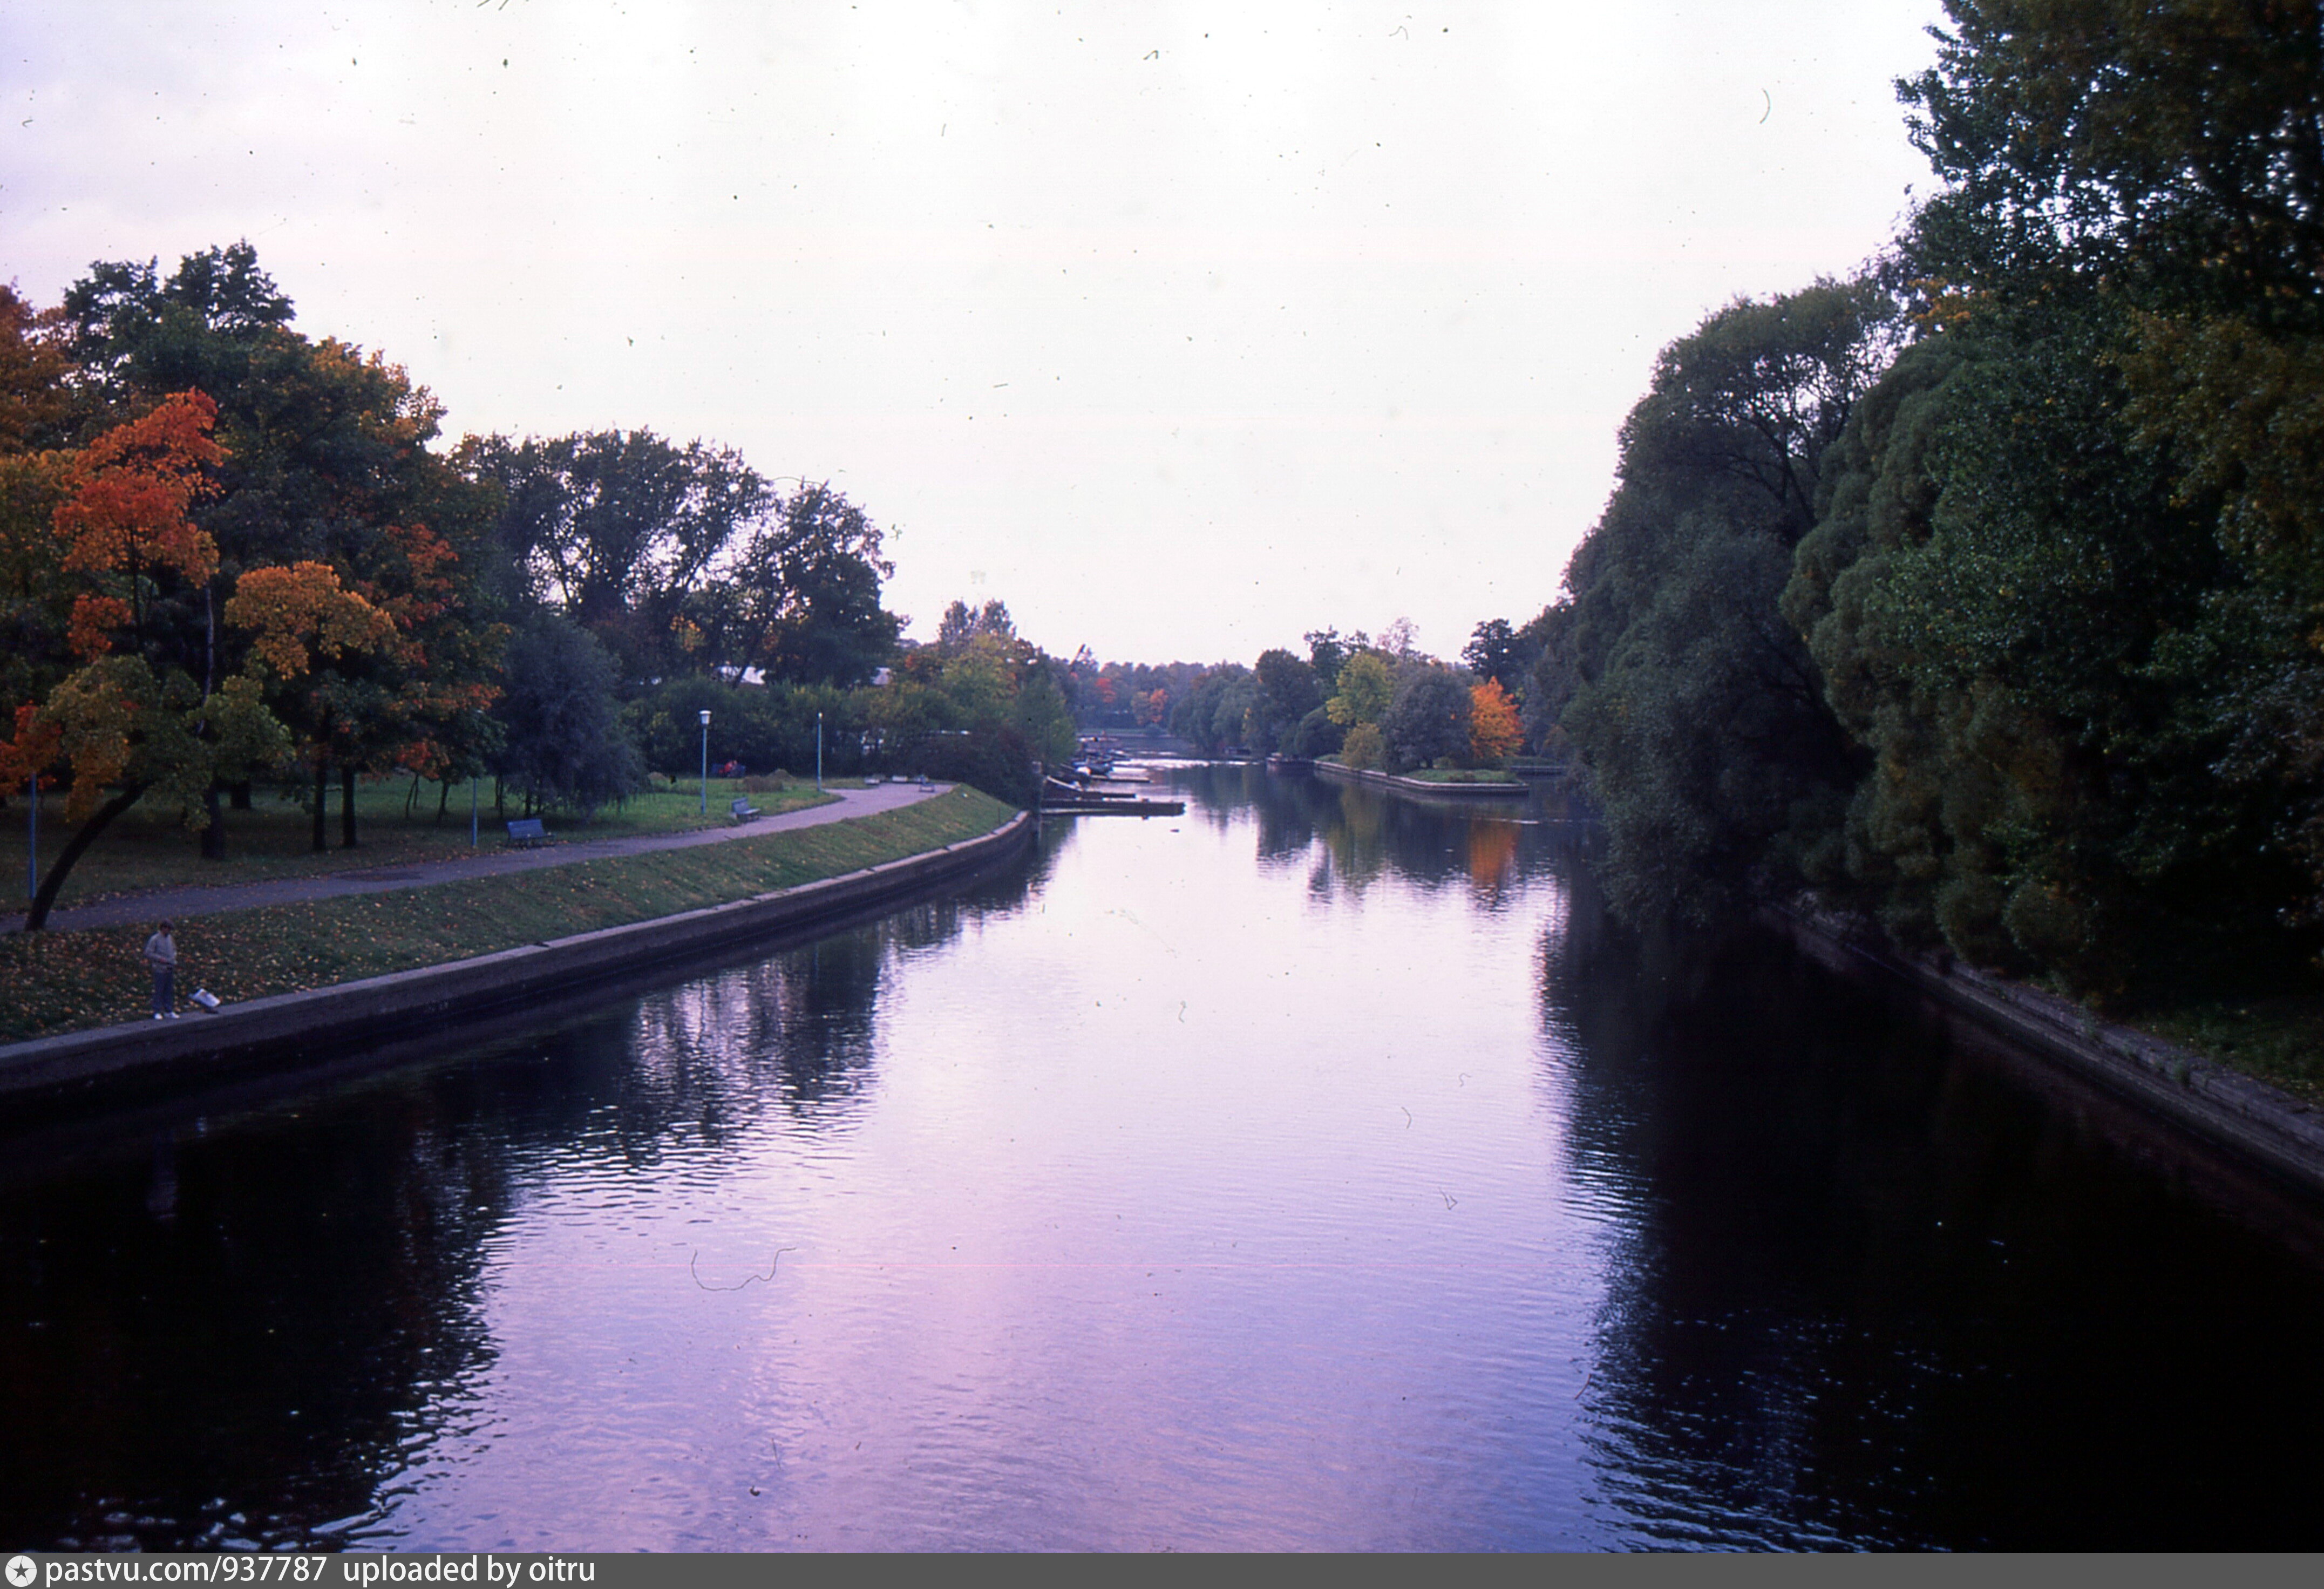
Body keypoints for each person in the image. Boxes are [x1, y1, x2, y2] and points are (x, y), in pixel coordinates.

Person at [143, 920, 178, 1021]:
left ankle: (169, 1010)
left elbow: (174, 949)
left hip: (170, 967)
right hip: (160, 969)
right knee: (159, 990)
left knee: (169, 990)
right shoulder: (155, 939)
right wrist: (160, 959)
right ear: (163, 928)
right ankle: (157, 1011)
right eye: (168, 929)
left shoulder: (170, 938)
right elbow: (148, 953)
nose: (169, 931)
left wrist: (173, 958)